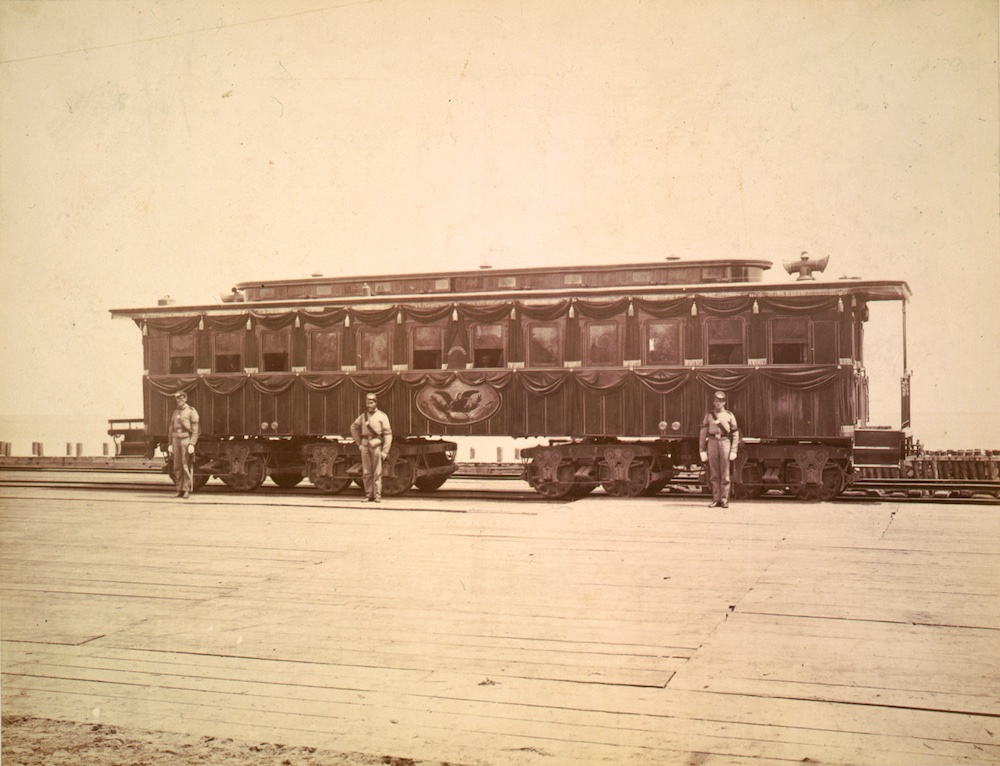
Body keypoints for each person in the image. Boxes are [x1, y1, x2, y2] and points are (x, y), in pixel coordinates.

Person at [698, 390, 739, 508]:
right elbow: (703, 432)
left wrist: (734, 450)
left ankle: (724, 500)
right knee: (714, 473)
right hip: (712, 443)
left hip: (725, 442)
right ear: (713, 402)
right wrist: (702, 450)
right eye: (716, 401)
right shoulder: (709, 415)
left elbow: (735, 433)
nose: (718, 403)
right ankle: (716, 499)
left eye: (721, 401)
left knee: (725, 473)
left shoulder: (729, 415)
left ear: (724, 402)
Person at [350, 393, 393, 502]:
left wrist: (385, 451)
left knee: (377, 472)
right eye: (367, 403)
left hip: (376, 446)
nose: (369, 405)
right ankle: (368, 495)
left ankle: (377, 496)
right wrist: (359, 443)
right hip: (365, 446)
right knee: (366, 472)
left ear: (375, 402)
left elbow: (388, 434)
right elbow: (353, 427)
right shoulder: (363, 416)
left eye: (371, 402)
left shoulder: (382, 416)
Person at [169, 390, 200, 499]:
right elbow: (171, 428)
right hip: (175, 440)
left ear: (185, 399)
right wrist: (170, 444)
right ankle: (179, 489)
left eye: (182, 398)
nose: (180, 400)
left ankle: (186, 489)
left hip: (185, 440)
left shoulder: (191, 411)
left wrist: (192, 444)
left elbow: (196, 430)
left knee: (185, 465)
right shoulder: (175, 412)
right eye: (178, 399)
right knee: (177, 466)